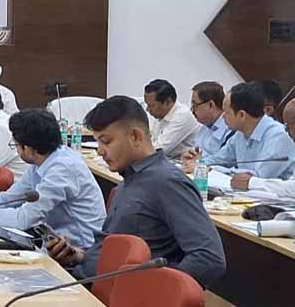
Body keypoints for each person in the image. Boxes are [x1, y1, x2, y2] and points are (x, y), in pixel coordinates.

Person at [46, 96, 226, 287]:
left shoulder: (167, 182)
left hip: (116, 293)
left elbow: (209, 258)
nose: (100, 151)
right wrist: (78, 256)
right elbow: (114, 252)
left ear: (135, 136)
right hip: (88, 280)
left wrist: (155, 292)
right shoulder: (128, 181)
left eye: (106, 141)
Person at [0, 109, 106, 249]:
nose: (15, 149)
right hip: (53, 244)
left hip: (80, 254)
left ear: (27, 148)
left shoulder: (62, 169)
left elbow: (23, 219)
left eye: (15, 145)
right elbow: (8, 199)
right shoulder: (41, 162)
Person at [182, 82, 295, 179]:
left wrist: (209, 170)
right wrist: (197, 162)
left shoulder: (278, 136)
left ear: (241, 115)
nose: (223, 117)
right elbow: (219, 159)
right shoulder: (240, 133)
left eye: (226, 112)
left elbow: (257, 177)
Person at [144, 79, 200, 160]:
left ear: (168, 102)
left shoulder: (183, 115)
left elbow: (159, 150)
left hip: (183, 162)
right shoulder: (159, 114)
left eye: (151, 105)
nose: (147, 109)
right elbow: (150, 141)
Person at [190, 81, 233, 158]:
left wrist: (200, 161)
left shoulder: (230, 129)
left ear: (211, 105)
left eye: (195, 105)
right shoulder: (205, 126)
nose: (192, 110)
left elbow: (223, 161)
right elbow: (195, 152)